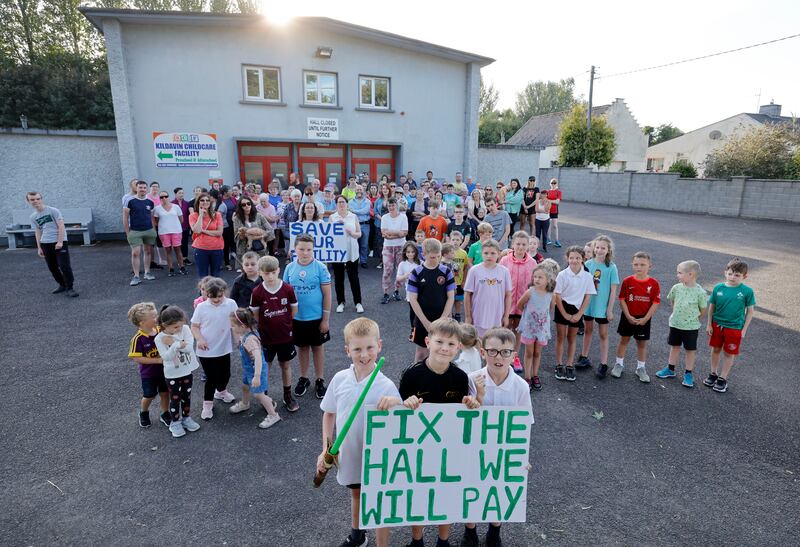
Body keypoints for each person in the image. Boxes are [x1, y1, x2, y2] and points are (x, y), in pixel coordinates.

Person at [318, 318, 403, 547]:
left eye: (369, 348)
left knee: (377, 499)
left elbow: (403, 421)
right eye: (357, 349)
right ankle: (358, 535)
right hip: (350, 451)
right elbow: (329, 413)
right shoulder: (339, 379)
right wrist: (326, 447)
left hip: (377, 457)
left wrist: (396, 403)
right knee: (356, 493)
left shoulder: (386, 386)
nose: (364, 354)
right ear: (347, 351)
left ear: (379, 346)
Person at [399, 318, 482, 547]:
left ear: (458, 348)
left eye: (451, 344)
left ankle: (443, 540)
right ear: (427, 341)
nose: (444, 348)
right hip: (418, 448)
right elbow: (397, 415)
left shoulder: (460, 377)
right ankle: (417, 540)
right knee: (418, 495)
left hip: (449, 448)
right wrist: (407, 403)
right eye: (439, 342)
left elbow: (464, 412)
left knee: (446, 494)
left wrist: (471, 404)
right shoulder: (412, 375)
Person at [464, 326, 533, 547]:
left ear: (514, 355)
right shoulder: (471, 379)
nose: (498, 357)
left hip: (503, 449)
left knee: (499, 487)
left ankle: (495, 529)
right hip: (474, 445)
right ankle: (470, 530)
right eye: (492, 351)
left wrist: (522, 455)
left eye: (505, 352)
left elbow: (524, 423)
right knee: (472, 487)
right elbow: (464, 417)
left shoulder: (521, 386)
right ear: (483, 352)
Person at [284, 234, 332, 400]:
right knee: (302, 348)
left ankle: (320, 379)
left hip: (316, 318)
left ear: (313, 250)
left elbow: (327, 295)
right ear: (295, 249)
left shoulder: (320, 268)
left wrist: (325, 319)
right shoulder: (289, 268)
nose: (305, 253)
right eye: (301, 249)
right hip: (297, 319)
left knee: (317, 347)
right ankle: (304, 378)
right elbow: (285, 293)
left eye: (309, 249)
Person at [250, 255, 300, 412]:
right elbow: (255, 316)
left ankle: (287, 396)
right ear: (260, 273)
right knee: (266, 367)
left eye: (273, 272)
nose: (270, 276)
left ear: (278, 270)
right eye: (266, 273)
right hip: (266, 338)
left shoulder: (287, 289)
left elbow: (293, 310)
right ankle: (265, 397)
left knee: (286, 365)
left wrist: (285, 324)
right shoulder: (257, 292)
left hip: (285, 336)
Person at [703, 258, 756, 393]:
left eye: (737, 275)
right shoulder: (718, 288)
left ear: (744, 276)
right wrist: (709, 324)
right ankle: (713, 374)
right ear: (725, 272)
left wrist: (743, 330)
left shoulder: (747, 291)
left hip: (734, 328)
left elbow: (750, 312)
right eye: (730, 273)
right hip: (717, 325)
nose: (733, 277)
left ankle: (723, 378)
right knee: (715, 350)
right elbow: (711, 307)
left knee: (728, 353)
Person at [190, 277, 238, 420]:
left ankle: (221, 391)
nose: (216, 300)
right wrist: (200, 339)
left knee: (225, 374)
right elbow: (194, 326)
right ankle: (207, 404)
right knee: (211, 378)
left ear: (224, 292)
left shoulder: (231, 304)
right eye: (212, 297)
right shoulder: (201, 307)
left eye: (219, 296)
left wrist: (239, 339)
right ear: (206, 294)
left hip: (223, 347)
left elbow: (235, 323)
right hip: (206, 349)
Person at [228, 308, 282, 429]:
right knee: (245, 387)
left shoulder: (250, 340)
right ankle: (245, 403)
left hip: (256, 371)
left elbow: (257, 357)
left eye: (233, 326)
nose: (232, 328)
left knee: (259, 395)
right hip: (249, 370)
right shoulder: (247, 333)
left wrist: (257, 376)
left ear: (242, 326)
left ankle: (273, 415)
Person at [657, 260, 708, 388]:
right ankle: (670, 369)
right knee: (674, 346)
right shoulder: (676, 287)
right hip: (675, 324)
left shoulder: (700, 292)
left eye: (680, 273)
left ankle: (688, 373)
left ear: (690, 274)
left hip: (691, 327)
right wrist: (676, 314)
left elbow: (703, 310)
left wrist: (694, 320)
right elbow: (672, 301)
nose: (677, 275)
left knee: (690, 350)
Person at [154, 305, 201, 438]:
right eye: (175, 327)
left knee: (187, 396)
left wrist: (174, 342)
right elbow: (166, 357)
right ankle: (175, 422)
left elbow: (189, 348)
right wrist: (177, 345)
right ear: (164, 325)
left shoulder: (185, 329)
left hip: (187, 370)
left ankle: (186, 418)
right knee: (175, 398)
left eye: (180, 325)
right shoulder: (159, 338)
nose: (179, 329)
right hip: (172, 374)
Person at [577, 235, 621, 378]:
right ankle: (584, 357)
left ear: (608, 250)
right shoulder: (588, 264)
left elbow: (613, 290)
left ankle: (603, 363)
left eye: (603, 248)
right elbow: (583, 285)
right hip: (589, 305)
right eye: (597, 247)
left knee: (603, 334)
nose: (600, 250)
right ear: (594, 248)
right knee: (588, 330)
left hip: (602, 307)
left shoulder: (611, 267)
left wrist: (609, 310)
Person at [407, 238, 456, 362]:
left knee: (441, 352)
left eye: (438, 256)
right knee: (421, 353)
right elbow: (413, 299)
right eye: (432, 257)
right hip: (421, 320)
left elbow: (451, 297)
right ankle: (417, 379)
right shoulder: (416, 273)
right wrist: (425, 322)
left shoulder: (446, 272)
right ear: (424, 254)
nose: (436, 260)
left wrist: (443, 319)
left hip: (442, 319)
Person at [553, 246, 597, 382]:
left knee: (572, 338)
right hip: (562, 307)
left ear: (583, 259)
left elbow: (588, 297)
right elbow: (557, 296)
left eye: (577, 258)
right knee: (561, 337)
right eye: (571, 258)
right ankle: (559, 364)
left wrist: (579, 315)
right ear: (567, 258)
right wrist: (564, 314)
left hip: (577, 308)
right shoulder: (562, 274)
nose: (574, 260)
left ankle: (569, 364)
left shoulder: (587, 276)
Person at [26, 191, 78, 297]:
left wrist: (60, 241)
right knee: (52, 267)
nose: (35, 201)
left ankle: (70, 288)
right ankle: (62, 285)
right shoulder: (33, 216)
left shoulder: (53, 210)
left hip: (59, 242)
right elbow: (38, 231)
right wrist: (39, 247)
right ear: (28, 201)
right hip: (45, 243)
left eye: (37, 199)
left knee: (64, 266)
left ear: (41, 199)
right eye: (32, 200)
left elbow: (61, 226)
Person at [127, 302, 170, 428]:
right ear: (142, 322)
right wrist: (157, 361)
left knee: (165, 392)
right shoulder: (138, 339)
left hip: (164, 370)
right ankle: (144, 412)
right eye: (153, 317)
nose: (157, 318)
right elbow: (137, 357)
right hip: (149, 374)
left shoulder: (158, 330)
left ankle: (164, 413)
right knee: (149, 395)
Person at [500, 231, 538, 371]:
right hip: (507, 304)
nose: (520, 247)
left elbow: (534, 284)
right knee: (505, 330)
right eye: (518, 244)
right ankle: (504, 355)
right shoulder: (504, 260)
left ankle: (514, 357)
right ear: (513, 244)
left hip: (523, 305)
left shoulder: (532, 263)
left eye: (523, 244)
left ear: (528, 246)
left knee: (518, 331)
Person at [517, 264, 556, 391]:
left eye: (540, 277)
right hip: (529, 327)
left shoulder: (551, 294)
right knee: (529, 353)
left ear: (548, 279)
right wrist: (528, 316)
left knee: (537, 352)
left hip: (542, 328)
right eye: (535, 277)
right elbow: (520, 305)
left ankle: (535, 375)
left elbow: (550, 308)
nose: (537, 279)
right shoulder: (530, 292)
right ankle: (527, 377)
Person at [464, 239, 513, 338]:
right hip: (478, 316)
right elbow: (467, 294)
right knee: (478, 347)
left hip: (496, 317)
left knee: (492, 347)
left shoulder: (504, 271)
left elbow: (508, 295)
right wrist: (468, 316)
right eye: (486, 253)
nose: (489, 256)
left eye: (493, 253)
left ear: (499, 254)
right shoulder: (474, 270)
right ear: (481, 253)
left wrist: (506, 316)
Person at [328, 195, 364, 314]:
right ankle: (340, 302)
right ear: (336, 204)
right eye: (339, 202)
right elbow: (328, 235)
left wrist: (352, 233)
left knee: (354, 277)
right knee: (339, 278)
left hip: (351, 250)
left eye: (343, 202)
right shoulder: (332, 217)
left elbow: (359, 233)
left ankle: (358, 302)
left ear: (347, 204)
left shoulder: (353, 216)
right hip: (337, 252)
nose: (341, 204)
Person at [123, 180, 157, 286]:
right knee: (135, 253)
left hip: (149, 230)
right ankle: (136, 276)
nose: (142, 189)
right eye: (140, 187)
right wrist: (127, 232)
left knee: (147, 252)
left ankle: (147, 273)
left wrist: (154, 230)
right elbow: (125, 217)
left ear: (146, 189)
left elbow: (151, 217)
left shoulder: (150, 202)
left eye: (144, 188)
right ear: (136, 188)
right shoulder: (130, 201)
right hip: (135, 231)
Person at [379, 197, 409, 304]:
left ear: (397, 206)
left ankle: (396, 291)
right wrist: (397, 233)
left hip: (401, 246)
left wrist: (391, 233)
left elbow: (404, 233)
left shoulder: (403, 217)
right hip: (388, 247)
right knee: (387, 270)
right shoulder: (385, 217)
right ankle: (386, 292)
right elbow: (384, 233)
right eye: (389, 206)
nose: (391, 207)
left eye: (393, 205)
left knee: (399, 269)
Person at [189, 193, 224, 278]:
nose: (205, 202)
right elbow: (196, 230)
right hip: (201, 249)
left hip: (217, 248)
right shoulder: (193, 215)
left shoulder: (217, 215)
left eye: (207, 200)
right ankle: (203, 292)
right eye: (202, 200)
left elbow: (219, 232)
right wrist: (201, 215)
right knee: (203, 276)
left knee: (216, 275)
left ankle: (215, 292)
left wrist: (203, 231)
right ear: (198, 202)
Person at [233, 195, 274, 267]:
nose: (247, 206)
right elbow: (237, 235)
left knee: (261, 270)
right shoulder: (237, 218)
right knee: (247, 273)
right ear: (240, 207)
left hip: (259, 249)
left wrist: (261, 235)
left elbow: (270, 230)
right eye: (243, 205)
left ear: (251, 204)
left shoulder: (259, 216)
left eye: (248, 203)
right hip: (244, 251)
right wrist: (246, 235)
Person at [153, 190, 186, 276]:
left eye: (166, 196)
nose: (164, 198)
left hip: (176, 231)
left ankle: (182, 267)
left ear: (169, 197)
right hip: (164, 232)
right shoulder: (157, 209)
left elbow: (181, 220)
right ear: (159, 198)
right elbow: (156, 221)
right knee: (168, 251)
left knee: (178, 250)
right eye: (161, 197)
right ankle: (171, 269)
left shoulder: (176, 207)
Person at [396, 241, 421, 340]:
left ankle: (421, 331)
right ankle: (413, 331)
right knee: (413, 312)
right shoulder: (402, 264)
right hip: (410, 292)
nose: (410, 254)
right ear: (405, 253)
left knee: (421, 312)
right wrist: (406, 275)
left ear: (416, 252)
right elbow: (398, 278)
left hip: (421, 292)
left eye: (412, 252)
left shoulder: (420, 263)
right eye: (408, 252)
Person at [447, 231, 469, 322]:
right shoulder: (446, 252)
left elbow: (465, 267)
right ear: (450, 240)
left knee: (458, 299)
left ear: (461, 241)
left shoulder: (463, 253)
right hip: (449, 282)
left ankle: (458, 314)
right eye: (453, 240)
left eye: (457, 240)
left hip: (459, 281)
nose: (455, 241)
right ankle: (449, 315)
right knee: (449, 299)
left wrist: (464, 280)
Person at [348, 185, 372, 268]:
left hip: (365, 225)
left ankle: (363, 261)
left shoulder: (367, 201)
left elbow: (365, 211)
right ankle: (354, 260)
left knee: (364, 244)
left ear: (363, 191)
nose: (359, 191)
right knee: (354, 244)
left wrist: (354, 211)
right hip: (354, 225)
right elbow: (350, 212)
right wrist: (357, 212)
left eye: (361, 189)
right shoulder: (350, 201)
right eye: (357, 189)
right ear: (355, 190)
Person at [220, 186, 237, 271]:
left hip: (233, 222)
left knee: (233, 240)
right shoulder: (220, 200)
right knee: (225, 244)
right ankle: (226, 262)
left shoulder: (233, 199)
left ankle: (233, 255)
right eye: (230, 190)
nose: (231, 191)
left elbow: (237, 208)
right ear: (225, 192)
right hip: (224, 224)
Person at [547, 178, 563, 247]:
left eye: (554, 183)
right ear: (550, 184)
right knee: (548, 226)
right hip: (547, 210)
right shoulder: (547, 192)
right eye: (552, 183)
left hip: (554, 211)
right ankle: (548, 239)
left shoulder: (558, 192)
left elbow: (557, 202)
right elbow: (544, 200)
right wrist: (552, 200)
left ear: (557, 183)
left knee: (555, 226)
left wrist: (549, 200)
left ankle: (556, 240)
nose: (553, 184)